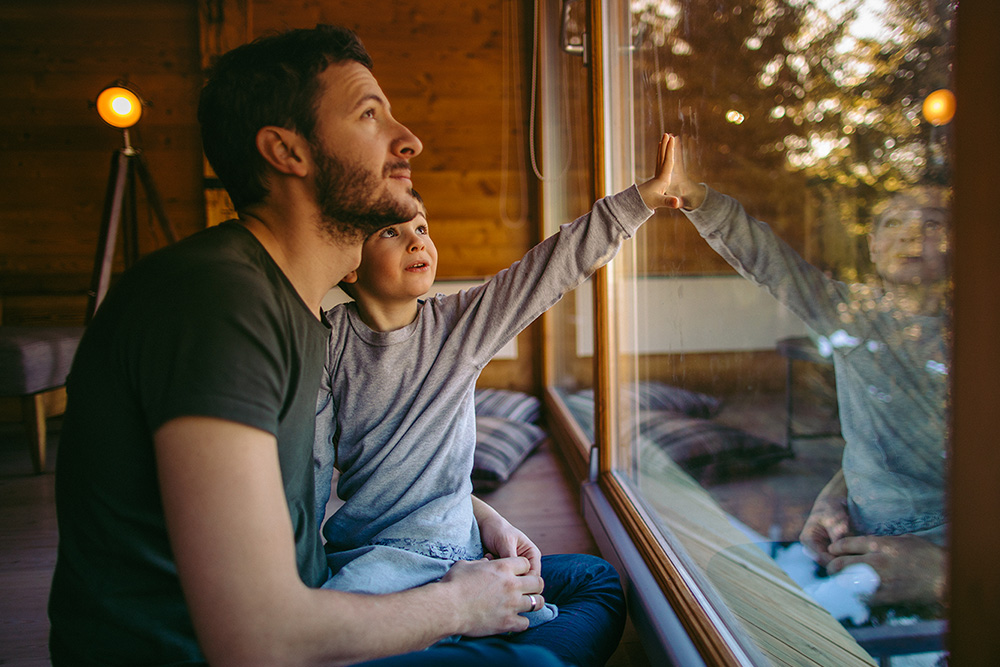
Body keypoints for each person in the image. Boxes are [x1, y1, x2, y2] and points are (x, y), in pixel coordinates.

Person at [48, 25, 566, 667]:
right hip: (236, 648)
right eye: (370, 115)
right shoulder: (215, 305)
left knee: (581, 581)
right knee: (544, 651)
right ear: (287, 153)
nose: (409, 141)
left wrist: (477, 516)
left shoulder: (294, 310)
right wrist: (459, 606)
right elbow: (257, 640)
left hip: (311, 593)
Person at [312, 133, 684, 665]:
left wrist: (640, 200)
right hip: (373, 563)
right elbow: (309, 472)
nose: (418, 241)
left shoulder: (459, 324)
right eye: (392, 232)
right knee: (330, 638)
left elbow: (549, 269)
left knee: (594, 578)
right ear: (351, 262)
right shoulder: (326, 343)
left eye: (422, 226)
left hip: (457, 554)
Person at [653, 136, 949, 612]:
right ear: (872, 246)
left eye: (931, 224)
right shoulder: (848, 310)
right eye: (895, 222)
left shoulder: (972, 338)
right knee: (719, 594)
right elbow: (770, 261)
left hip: (941, 556)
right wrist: (697, 199)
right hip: (853, 536)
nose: (912, 235)